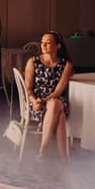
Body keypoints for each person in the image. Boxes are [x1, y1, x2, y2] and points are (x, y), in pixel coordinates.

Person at [24, 31, 73, 160]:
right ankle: (64, 160)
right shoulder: (33, 61)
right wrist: (34, 100)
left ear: (58, 46)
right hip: (35, 101)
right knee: (60, 114)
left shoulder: (66, 64)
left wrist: (44, 100)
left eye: (48, 42)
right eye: (42, 42)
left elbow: (58, 90)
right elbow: (28, 88)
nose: (43, 45)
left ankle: (43, 150)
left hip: (55, 99)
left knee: (54, 103)